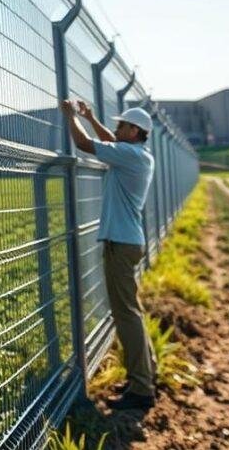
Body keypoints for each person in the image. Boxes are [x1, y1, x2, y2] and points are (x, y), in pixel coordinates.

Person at [60, 98, 157, 410]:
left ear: (135, 130)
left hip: (120, 244)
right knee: (131, 312)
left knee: (126, 314)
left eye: (122, 125)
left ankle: (141, 389)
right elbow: (109, 141)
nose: (116, 128)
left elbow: (84, 144)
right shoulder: (137, 155)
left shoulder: (130, 155)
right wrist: (89, 116)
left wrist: (70, 117)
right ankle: (146, 373)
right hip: (127, 242)